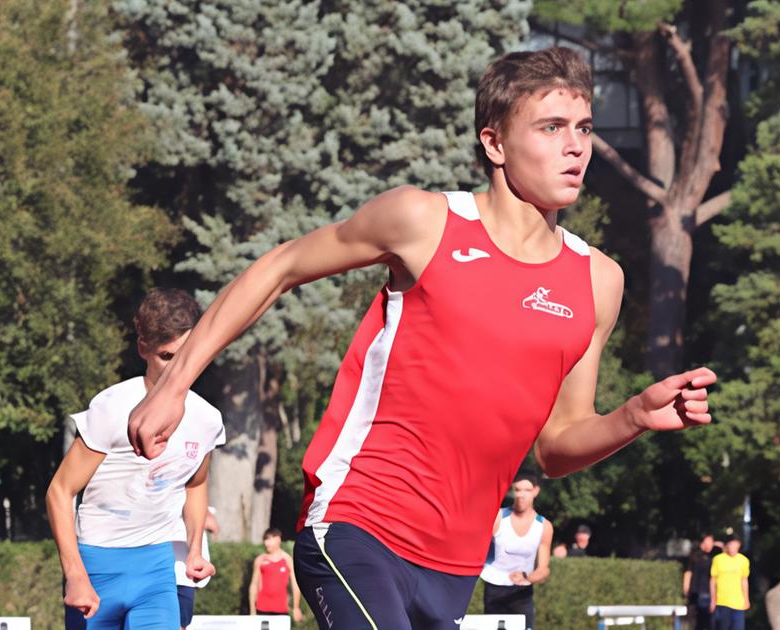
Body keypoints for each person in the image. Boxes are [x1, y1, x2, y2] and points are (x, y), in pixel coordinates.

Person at [127, 47, 717, 629]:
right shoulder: (424, 221)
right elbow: (280, 267)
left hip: (454, 568)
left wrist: (634, 416)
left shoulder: (598, 280)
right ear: (495, 144)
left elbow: (557, 445)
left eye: (584, 127)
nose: (576, 146)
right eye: (551, 127)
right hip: (358, 524)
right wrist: (176, 384)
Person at [48, 289, 226, 630]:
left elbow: (196, 484)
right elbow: (59, 491)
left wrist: (193, 551)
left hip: (157, 571)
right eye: (167, 356)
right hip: (97, 567)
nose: (178, 368)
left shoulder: (208, 419)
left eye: (186, 354)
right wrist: (75, 575)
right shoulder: (112, 407)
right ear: (143, 348)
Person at [480, 473, 554, 630]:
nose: (521, 495)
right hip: (494, 588)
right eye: (517, 489)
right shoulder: (497, 517)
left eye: (526, 490)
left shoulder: (544, 526)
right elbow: (476, 549)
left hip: (522, 591)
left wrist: (526, 576)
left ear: (536, 491)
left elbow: (543, 569)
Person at [249, 528, 304, 622]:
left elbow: (295, 585)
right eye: (265, 539)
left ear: (278, 539)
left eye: (269, 539)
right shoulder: (260, 559)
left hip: (281, 610)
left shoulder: (287, 560)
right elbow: (254, 585)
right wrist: (252, 611)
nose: (266, 542)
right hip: (262, 609)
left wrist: (296, 607)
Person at [710, 535, 750, 630]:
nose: (733, 548)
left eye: (735, 546)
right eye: (731, 545)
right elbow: (713, 581)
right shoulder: (718, 559)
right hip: (722, 601)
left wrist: (746, 599)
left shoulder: (743, 560)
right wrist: (713, 600)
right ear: (727, 545)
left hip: (738, 602)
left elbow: (744, 580)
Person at [684, 534, 717, 630]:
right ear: (703, 542)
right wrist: (686, 590)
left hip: (708, 593)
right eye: (710, 541)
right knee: (697, 623)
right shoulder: (694, 556)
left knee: (709, 623)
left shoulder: (713, 556)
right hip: (696, 593)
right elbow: (688, 573)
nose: (712, 544)